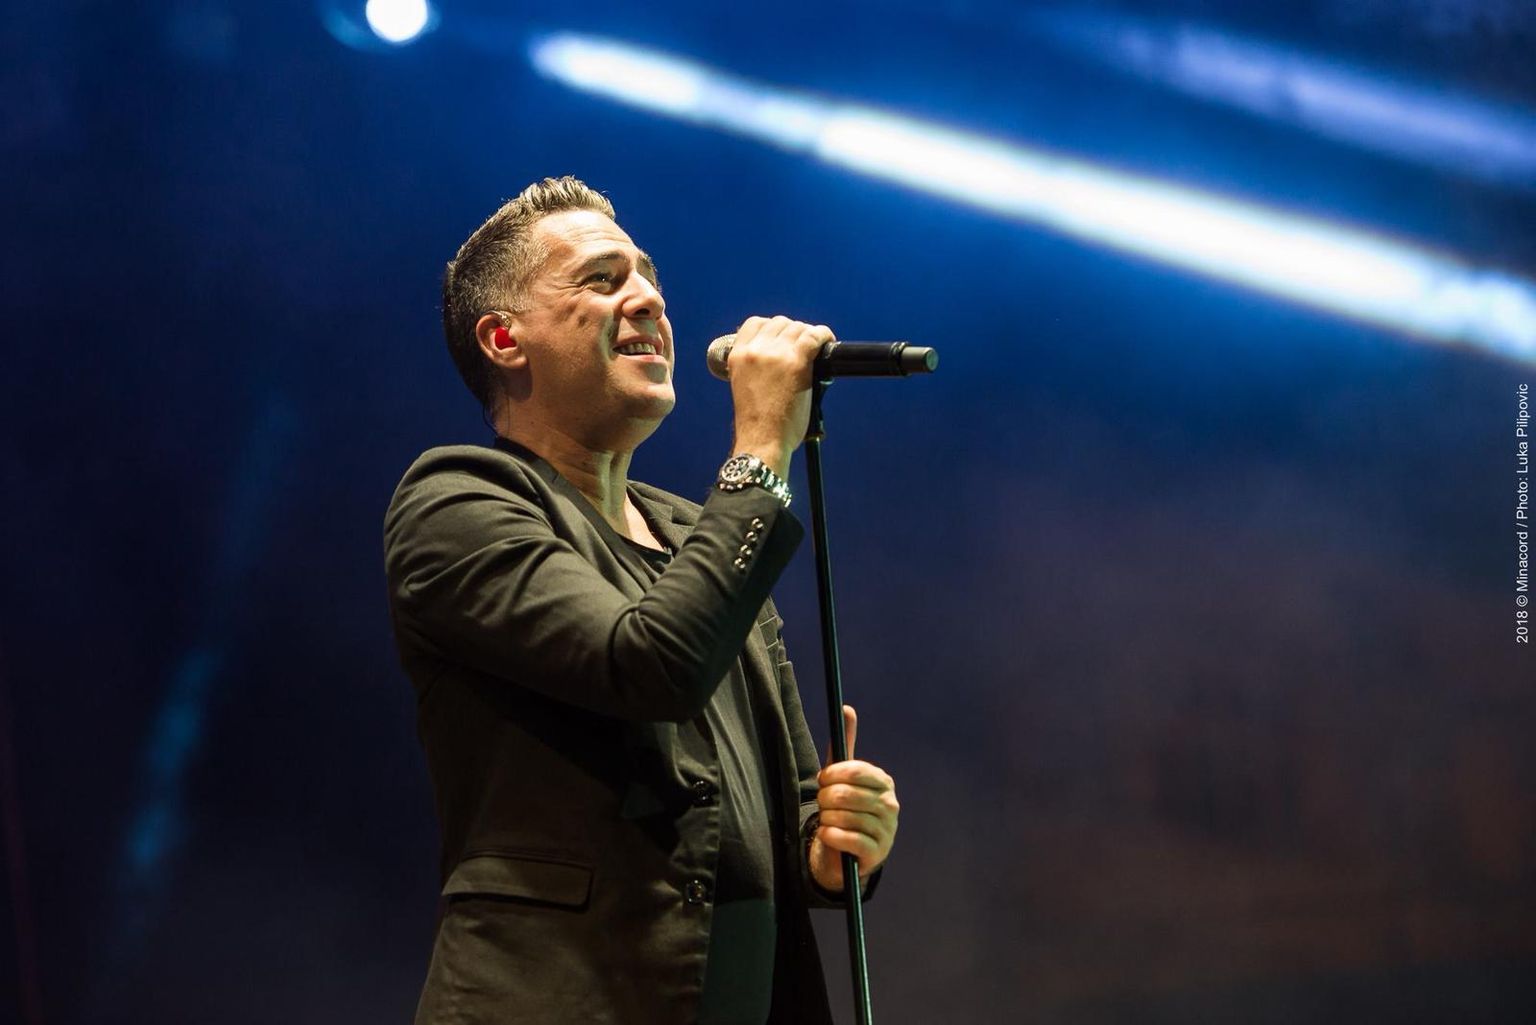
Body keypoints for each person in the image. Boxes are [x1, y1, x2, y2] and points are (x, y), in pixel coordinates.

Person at [383, 176, 900, 1025]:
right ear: (505, 338)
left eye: (650, 277)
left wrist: (835, 838)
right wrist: (760, 446)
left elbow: (790, 808)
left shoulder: (699, 531)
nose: (650, 299)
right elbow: (649, 664)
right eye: (602, 278)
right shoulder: (455, 501)